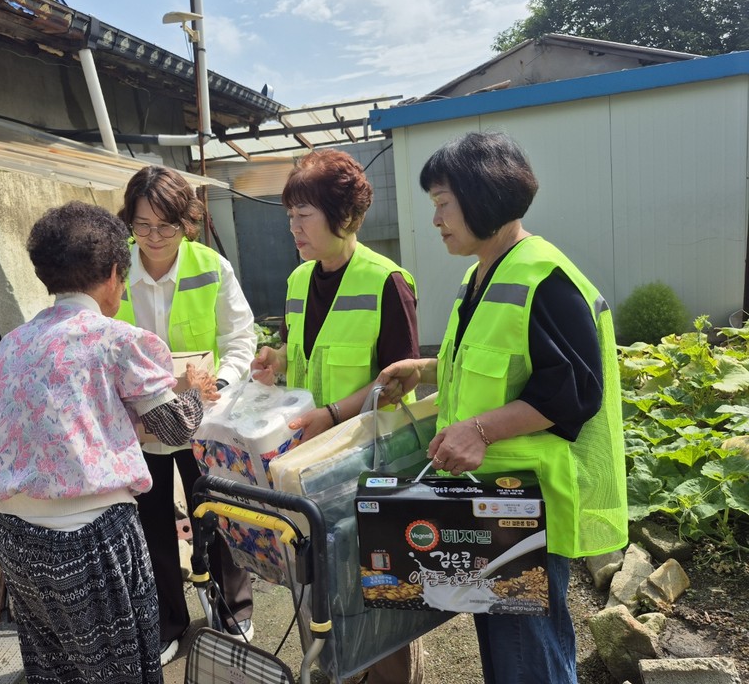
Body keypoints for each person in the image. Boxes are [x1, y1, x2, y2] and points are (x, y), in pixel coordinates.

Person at [376, 131, 629, 684]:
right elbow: (489, 363)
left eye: (443, 203)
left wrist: (481, 431)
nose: (436, 219)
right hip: (493, 502)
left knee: (525, 656)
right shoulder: (481, 275)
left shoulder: (544, 277)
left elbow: (574, 391)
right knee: (509, 643)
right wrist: (422, 369)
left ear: (482, 196)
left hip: (527, 505)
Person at [0, 201, 215, 684]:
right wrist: (199, 395)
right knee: (119, 668)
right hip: (86, 537)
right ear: (113, 273)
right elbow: (173, 429)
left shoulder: (14, 343)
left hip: (13, 535)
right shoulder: (119, 340)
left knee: (54, 666)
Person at [250, 147, 424, 684]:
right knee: (325, 585)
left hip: (374, 460)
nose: (294, 227)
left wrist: (331, 413)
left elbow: (397, 382)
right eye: (290, 216)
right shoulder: (299, 280)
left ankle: (396, 674)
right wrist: (276, 359)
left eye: (304, 215)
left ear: (344, 217)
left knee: (381, 589)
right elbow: (300, 350)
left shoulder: (387, 281)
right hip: (314, 461)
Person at [116, 165, 257, 666]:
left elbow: (241, 338)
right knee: (151, 527)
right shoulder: (115, 270)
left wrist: (220, 384)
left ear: (187, 223)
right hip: (142, 426)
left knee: (217, 516)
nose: (154, 238)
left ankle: (233, 612)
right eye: (142, 225)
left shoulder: (212, 267)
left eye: (166, 226)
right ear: (128, 223)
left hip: (203, 420)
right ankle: (168, 622)